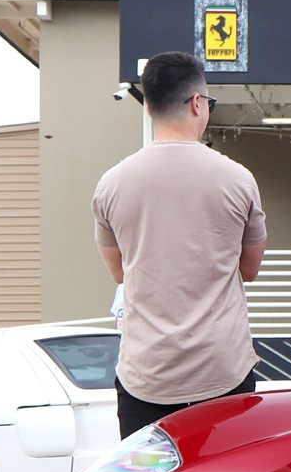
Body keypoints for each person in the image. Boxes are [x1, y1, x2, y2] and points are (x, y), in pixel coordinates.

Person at [94, 50, 268, 437]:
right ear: (196, 103)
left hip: (146, 376)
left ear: (150, 108)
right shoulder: (237, 179)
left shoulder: (112, 183)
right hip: (223, 373)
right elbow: (250, 269)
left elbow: (122, 272)